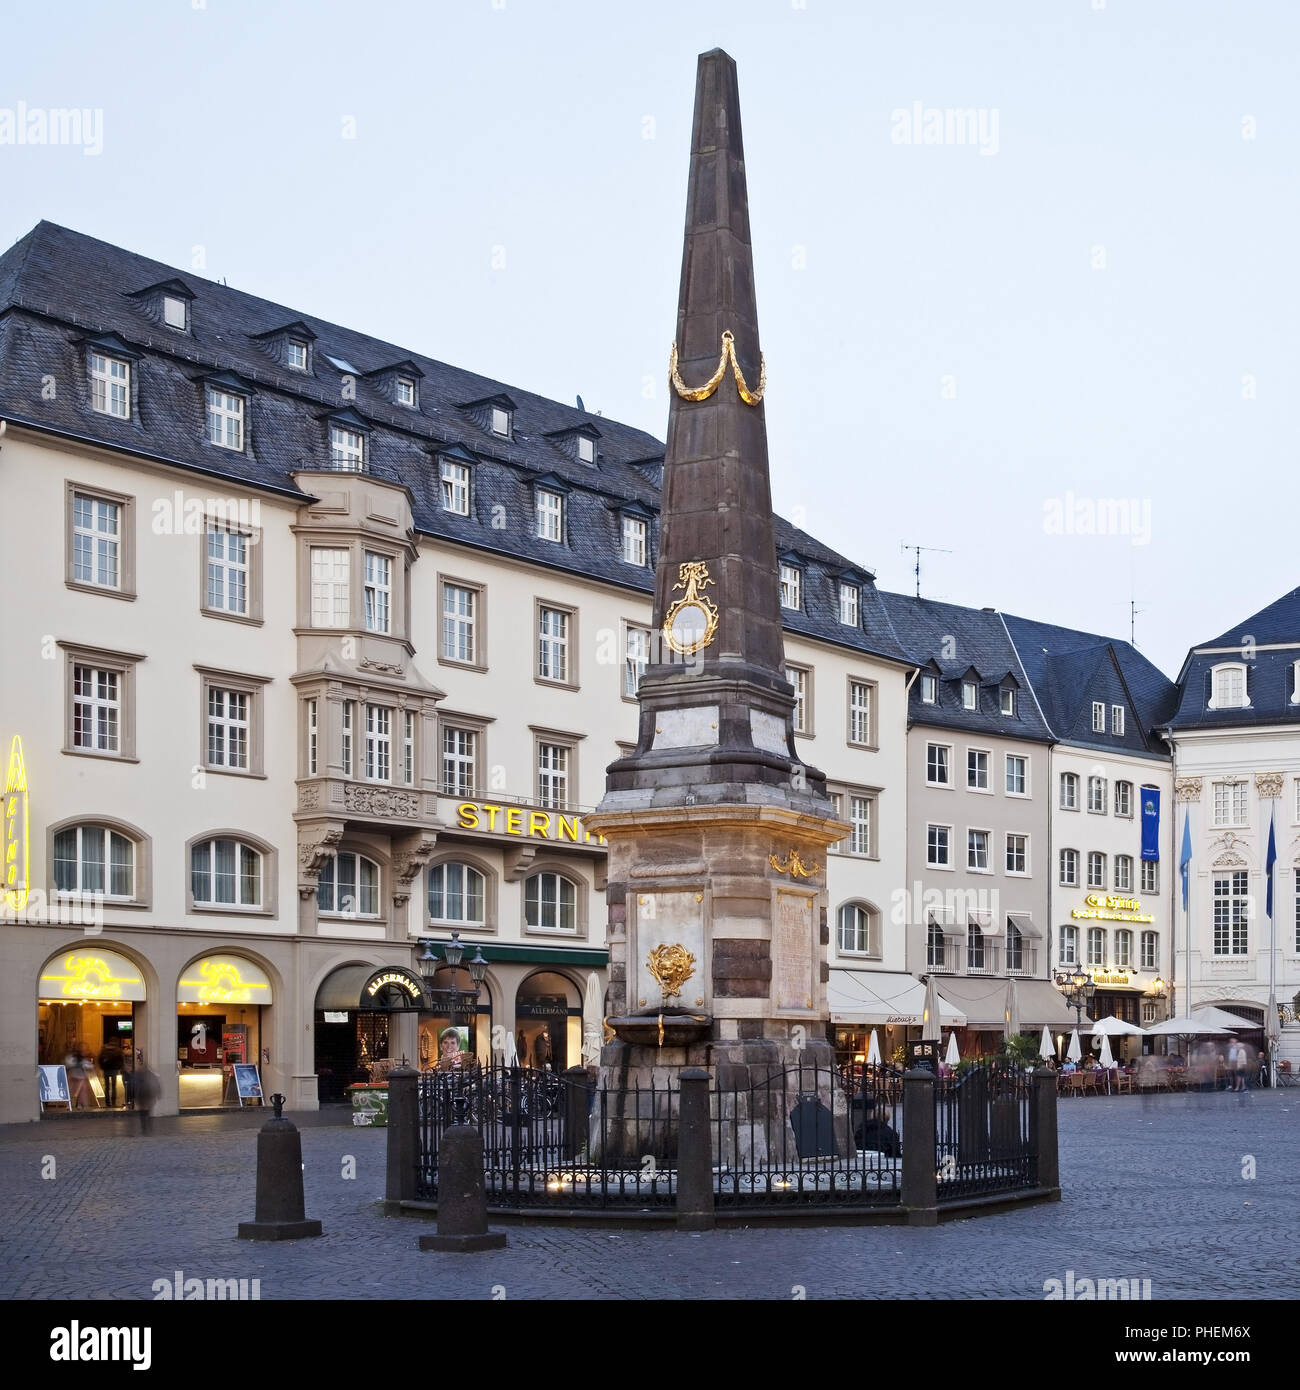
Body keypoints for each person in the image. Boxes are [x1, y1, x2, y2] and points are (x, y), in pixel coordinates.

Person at [133, 1065, 160, 1133]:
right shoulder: (151, 1075)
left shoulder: (139, 1075)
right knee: (146, 1112)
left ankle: (145, 1127)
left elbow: (134, 1086)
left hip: (145, 1097)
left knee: (143, 1112)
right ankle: (147, 1126)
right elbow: (157, 1085)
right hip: (145, 1097)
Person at [98, 1040, 124, 1108]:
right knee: (113, 1087)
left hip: (106, 1070)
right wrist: (119, 1067)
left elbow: (99, 1059)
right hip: (114, 1070)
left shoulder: (104, 1050)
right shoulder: (117, 1050)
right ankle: (113, 1102)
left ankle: (107, 1103)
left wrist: (102, 1067)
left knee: (107, 1087)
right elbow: (121, 1059)